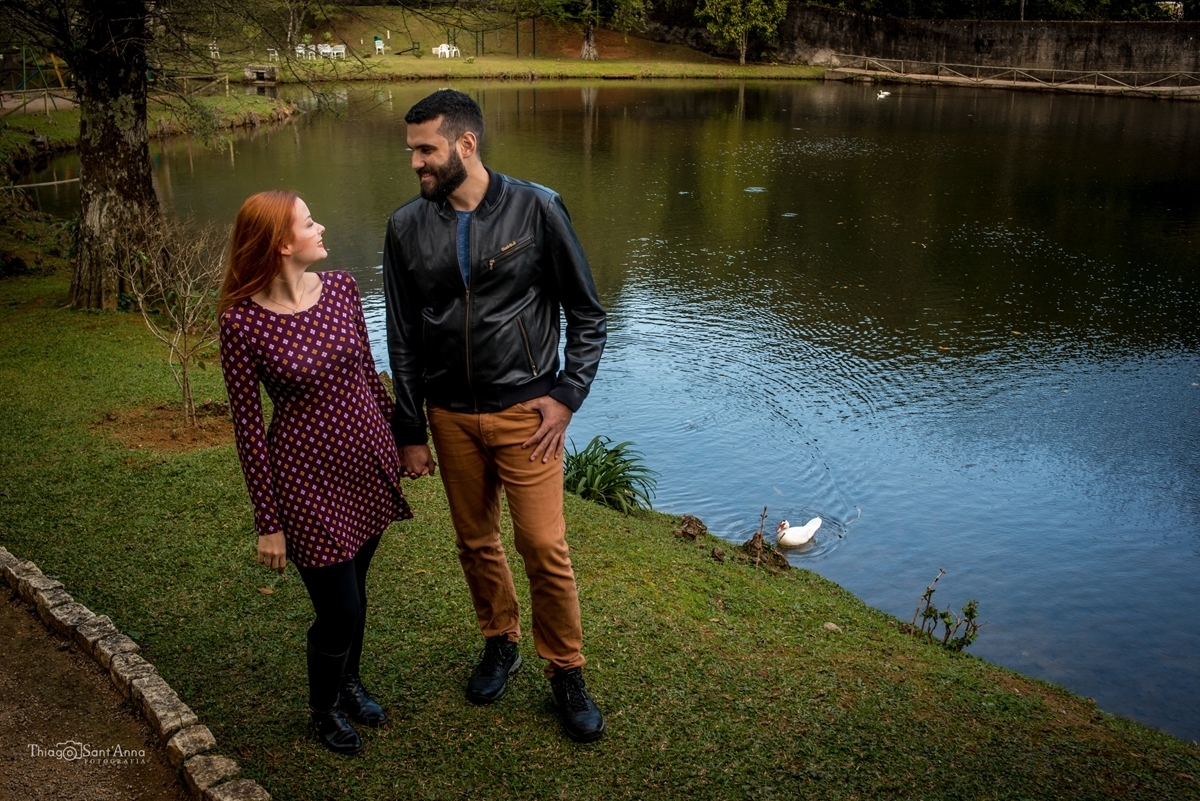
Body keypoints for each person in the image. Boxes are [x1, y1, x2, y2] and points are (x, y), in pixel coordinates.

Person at [383, 90, 608, 743]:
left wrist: (567, 394)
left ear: (466, 144)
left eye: (426, 149)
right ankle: (499, 639)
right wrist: (410, 427)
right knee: (475, 541)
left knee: (544, 545)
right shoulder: (405, 226)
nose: (417, 163)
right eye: (412, 151)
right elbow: (402, 333)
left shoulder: (536, 208)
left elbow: (588, 313)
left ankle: (565, 668)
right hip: (450, 415)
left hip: (526, 412)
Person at [218, 190, 413, 755]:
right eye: (309, 222)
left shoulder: (344, 289)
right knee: (340, 606)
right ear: (282, 243)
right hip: (306, 480)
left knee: (358, 585)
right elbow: (249, 429)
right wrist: (268, 521)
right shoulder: (243, 324)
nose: (320, 225)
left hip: (366, 464)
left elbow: (369, 372)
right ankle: (324, 708)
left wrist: (401, 439)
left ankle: (350, 682)